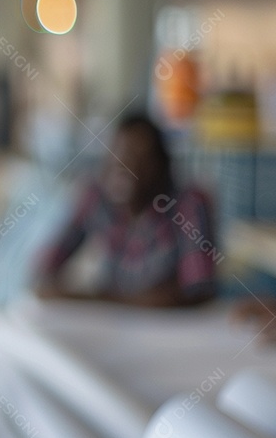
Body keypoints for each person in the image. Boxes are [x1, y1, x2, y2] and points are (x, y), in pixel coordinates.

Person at [35, 113, 217, 307]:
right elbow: (46, 267)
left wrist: (95, 299)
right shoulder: (95, 197)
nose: (124, 168)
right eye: (116, 157)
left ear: (162, 167)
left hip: (168, 332)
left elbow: (197, 292)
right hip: (110, 327)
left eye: (138, 159)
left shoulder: (187, 205)